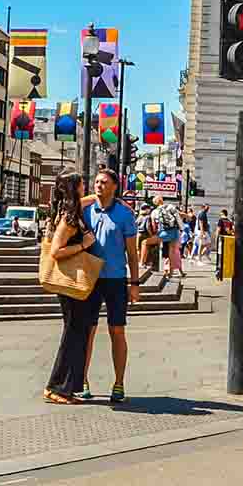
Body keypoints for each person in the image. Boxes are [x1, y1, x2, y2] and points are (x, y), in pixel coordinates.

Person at [79, 169, 139, 403]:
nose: (98, 185)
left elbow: (132, 254)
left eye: (104, 182)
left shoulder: (125, 215)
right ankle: (82, 381)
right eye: (96, 182)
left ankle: (119, 383)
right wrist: (92, 198)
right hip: (90, 279)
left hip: (116, 279)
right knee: (88, 331)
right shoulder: (86, 211)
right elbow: (68, 205)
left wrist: (134, 283)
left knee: (117, 331)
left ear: (115, 186)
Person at [42, 171, 97, 405]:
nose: (86, 186)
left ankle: (67, 387)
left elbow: (86, 200)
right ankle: (56, 387)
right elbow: (56, 251)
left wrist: (107, 198)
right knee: (73, 333)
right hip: (70, 282)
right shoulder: (68, 217)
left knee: (78, 332)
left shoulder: (66, 209)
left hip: (72, 283)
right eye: (82, 184)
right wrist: (83, 245)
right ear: (75, 188)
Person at [155, 197, 184, 278]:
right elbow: (178, 217)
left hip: (163, 233)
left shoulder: (156, 211)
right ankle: (171, 272)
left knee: (166, 253)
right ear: (162, 200)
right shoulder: (170, 207)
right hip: (173, 231)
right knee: (172, 253)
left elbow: (155, 223)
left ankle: (166, 271)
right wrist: (182, 228)